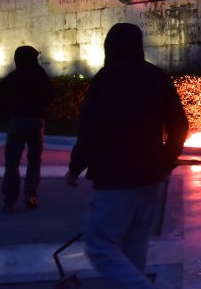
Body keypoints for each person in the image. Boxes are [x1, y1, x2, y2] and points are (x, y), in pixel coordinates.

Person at [65, 23, 189, 287]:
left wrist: (75, 168)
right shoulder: (156, 75)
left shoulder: (107, 77)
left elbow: (91, 128)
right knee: (134, 251)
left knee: (100, 245)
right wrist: (166, 161)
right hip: (151, 175)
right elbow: (180, 123)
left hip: (116, 176)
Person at [0, 46, 55, 212]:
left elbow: (0, 98)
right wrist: (43, 108)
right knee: (34, 159)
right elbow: (50, 94)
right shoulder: (39, 76)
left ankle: (10, 199)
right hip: (35, 121)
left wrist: (9, 112)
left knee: (11, 162)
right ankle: (30, 195)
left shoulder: (12, 78)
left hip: (16, 121)